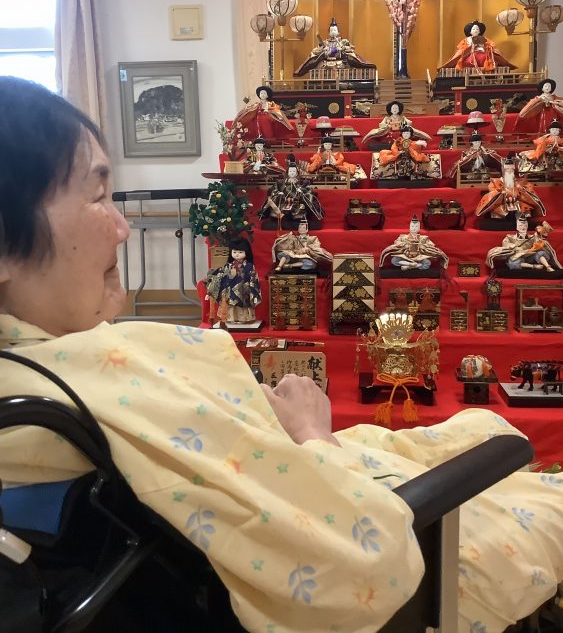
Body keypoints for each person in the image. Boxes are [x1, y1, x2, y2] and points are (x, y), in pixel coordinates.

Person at [1, 77, 563, 633]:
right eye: (97, 197)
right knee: (514, 470)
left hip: (290, 471)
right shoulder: (95, 386)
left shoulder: (46, 374)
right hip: (369, 526)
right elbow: (358, 555)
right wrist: (314, 435)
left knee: (477, 430)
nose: (123, 228)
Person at [204, 237, 262, 323]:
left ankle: (244, 319)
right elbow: (219, 277)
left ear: (246, 252)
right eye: (234, 252)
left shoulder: (249, 266)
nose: (237, 254)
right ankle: (231, 319)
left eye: (240, 252)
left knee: (243, 306)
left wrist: (253, 293)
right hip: (230, 291)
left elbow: (253, 280)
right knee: (230, 306)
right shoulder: (228, 266)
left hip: (243, 291)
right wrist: (210, 291)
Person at [293, 18, 376, 77]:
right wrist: (323, 50)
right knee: (315, 58)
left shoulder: (343, 41)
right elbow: (315, 51)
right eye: (331, 30)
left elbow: (351, 49)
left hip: (340, 63)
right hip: (325, 63)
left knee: (350, 57)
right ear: (329, 33)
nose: (333, 32)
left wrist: (342, 49)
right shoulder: (324, 43)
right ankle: (302, 71)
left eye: (335, 30)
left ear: (338, 32)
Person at [257, 155, 324, 225]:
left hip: (298, 201)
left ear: (297, 173)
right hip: (283, 201)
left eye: (294, 171)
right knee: (276, 197)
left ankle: (301, 217)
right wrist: (278, 193)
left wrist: (302, 191)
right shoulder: (281, 183)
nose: (292, 173)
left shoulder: (302, 182)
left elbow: (309, 189)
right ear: (287, 172)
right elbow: (273, 190)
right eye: (291, 171)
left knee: (309, 196)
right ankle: (277, 216)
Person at [475, 154, 546, 220]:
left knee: (525, 212)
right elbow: (492, 193)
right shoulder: (495, 181)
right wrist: (501, 193)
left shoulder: (521, 181)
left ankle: (522, 219)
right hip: (501, 203)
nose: (509, 171)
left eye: (511, 169)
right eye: (507, 169)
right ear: (503, 169)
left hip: (518, 202)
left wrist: (520, 190)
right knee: (497, 213)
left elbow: (529, 190)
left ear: (514, 169)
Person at [486, 215, 561, 272]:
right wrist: (515, 247)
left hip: (529, 256)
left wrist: (541, 231)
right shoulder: (510, 237)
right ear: (517, 227)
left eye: (525, 225)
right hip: (517, 256)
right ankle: (533, 266)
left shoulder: (532, 237)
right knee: (512, 263)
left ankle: (548, 267)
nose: (523, 227)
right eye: (520, 225)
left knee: (540, 253)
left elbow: (540, 241)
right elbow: (506, 245)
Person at [438, 19, 516, 72]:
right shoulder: (467, 40)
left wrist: (485, 47)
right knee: (466, 57)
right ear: (470, 31)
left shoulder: (485, 39)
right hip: (469, 54)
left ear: (480, 31)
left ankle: (487, 67)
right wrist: (470, 47)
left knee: (486, 57)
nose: (475, 30)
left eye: (477, 29)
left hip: (482, 53)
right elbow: (462, 48)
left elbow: (491, 46)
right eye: (474, 29)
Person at [379, 215, 449, 271]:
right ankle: (411, 264)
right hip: (406, 256)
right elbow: (396, 244)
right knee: (394, 260)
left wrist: (422, 246)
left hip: (419, 257)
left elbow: (431, 246)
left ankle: (409, 266)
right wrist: (404, 245)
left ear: (419, 227)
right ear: (409, 227)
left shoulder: (423, 238)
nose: (414, 228)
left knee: (427, 263)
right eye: (412, 226)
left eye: (416, 226)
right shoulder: (403, 237)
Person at [361, 100, 431, 148]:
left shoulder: (403, 118)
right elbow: (381, 125)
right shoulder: (387, 118)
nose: (395, 110)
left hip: (401, 135)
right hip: (389, 135)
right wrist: (388, 126)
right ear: (390, 110)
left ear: (399, 109)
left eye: (396, 108)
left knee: (407, 139)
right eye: (393, 108)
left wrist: (403, 125)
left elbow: (409, 123)